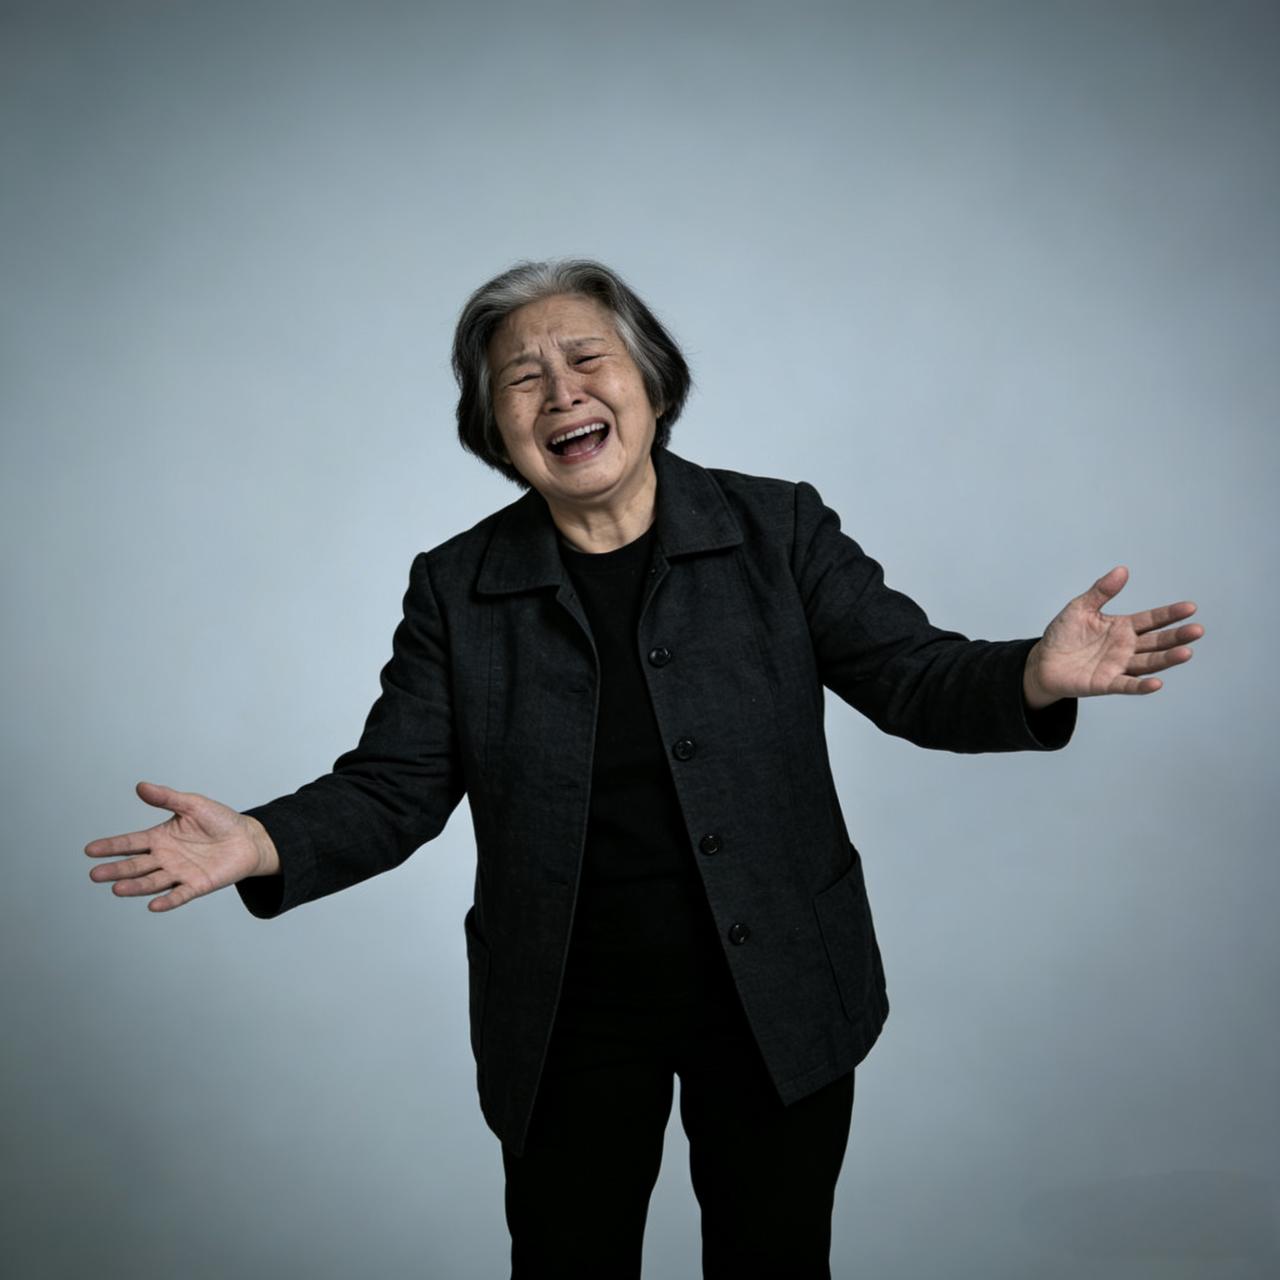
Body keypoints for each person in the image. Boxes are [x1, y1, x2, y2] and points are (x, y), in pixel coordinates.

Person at [86, 259, 1203, 1279]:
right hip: (566, 1006)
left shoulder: (778, 529)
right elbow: (394, 785)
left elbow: (911, 675)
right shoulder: (456, 587)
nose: (560, 393)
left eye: (587, 359)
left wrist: (1029, 675)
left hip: (776, 985)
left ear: (651, 384)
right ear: (495, 429)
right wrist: (262, 840)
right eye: (521, 379)